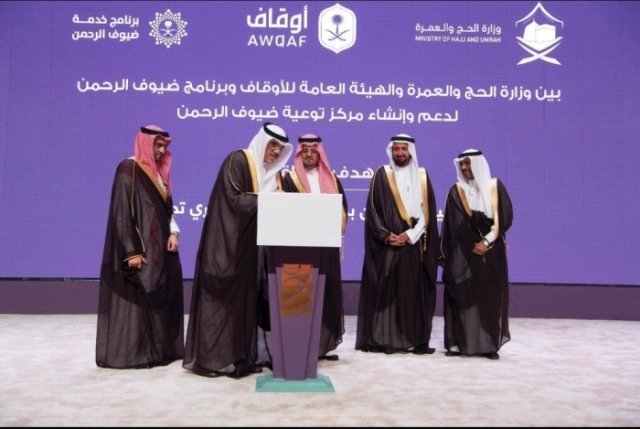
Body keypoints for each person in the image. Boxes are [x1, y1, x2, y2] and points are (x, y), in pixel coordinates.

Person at [183, 122, 293, 378]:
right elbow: (233, 199)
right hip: (227, 247)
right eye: (272, 145)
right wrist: (268, 200)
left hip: (253, 253)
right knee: (220, 307)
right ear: (262, 142)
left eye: (280, 148)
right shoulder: (238, 160)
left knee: (246, 307)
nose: (276, 152)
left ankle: (243, 359)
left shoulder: (274, 175)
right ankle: (209, 363)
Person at [96, 125, 184, 368]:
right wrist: (132, 251)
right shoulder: (129, 169)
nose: (161, 150)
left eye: (164, 146)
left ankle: (160, 350)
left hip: (162, 249)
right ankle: (138, 353)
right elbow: (121, 212)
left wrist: (174, 232)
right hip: (141, 250)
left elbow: (167, 209)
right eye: (157, 145)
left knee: (163, 297)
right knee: (139, 299)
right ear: (145, 143)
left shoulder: (159, 173)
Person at [355, 133, 439, 355]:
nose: (400, 153)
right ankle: (382, 339)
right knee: (385, 291)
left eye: (404, 149)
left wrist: (410, 235)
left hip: (412, 244)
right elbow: (373, 210)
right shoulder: (382, 174)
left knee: (410, 293)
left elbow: (427, 213)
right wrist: (386, 235)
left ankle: (412, 339)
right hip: (387, 245)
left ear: (411, 151)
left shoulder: (422, 176)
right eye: (396, 149)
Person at [439, 149, 514, 360]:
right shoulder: (456, 191)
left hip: (490, 254)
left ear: (478, 164)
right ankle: (456, 343)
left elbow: (504, 218)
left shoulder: (495, 187)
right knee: (460, 296)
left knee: (489, 298)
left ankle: (488, 344)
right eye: (461, 164)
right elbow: (450, 226)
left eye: (468, 163)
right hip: (462, 255)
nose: (464, 168)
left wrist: (486, 242)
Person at [281, 133, 348, 361]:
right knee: (302, 298)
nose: (309, 155)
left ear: (320, 153)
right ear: (299, 154)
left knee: (325, 296)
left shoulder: (332, 179)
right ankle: (300, 347)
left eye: (313, 150)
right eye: (305, 151)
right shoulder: (289, 180)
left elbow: (342, 210)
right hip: (300, 251)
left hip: (326, 249)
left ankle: (322, 346)